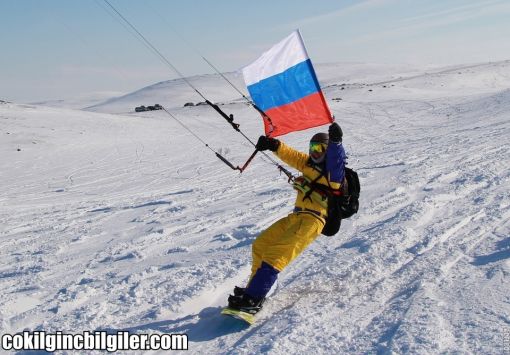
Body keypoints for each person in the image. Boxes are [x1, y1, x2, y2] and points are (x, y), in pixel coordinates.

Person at [227, 122, 347, 314]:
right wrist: (273, 144)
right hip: (297, 216)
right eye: (312, 148)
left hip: (313, 221)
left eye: (319, 149)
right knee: (261, 244)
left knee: (276, 254)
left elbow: (336, 160)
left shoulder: (333, 174)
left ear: (327, 149)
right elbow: (291, 155)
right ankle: (252, 289)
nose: (314, 153)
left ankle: (253, 300)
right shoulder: (308, 164)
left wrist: (336, 143)